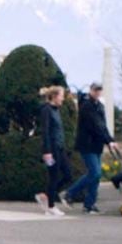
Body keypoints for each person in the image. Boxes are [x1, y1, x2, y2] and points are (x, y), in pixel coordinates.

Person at [64, 82, 118, 214]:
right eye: (96, 90)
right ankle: (69, 193)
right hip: (87, 144)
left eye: (99, 90)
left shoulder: (99, 106)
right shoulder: (87, 105)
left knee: (95, 175)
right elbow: (95, 125)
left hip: (96, 145)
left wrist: (110, 140)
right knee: (95, 173)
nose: (98, 92)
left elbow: (102, 126)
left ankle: (89, 204)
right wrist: (108, 141)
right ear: (91, 90)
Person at [34, 85, 71, 216]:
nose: (63, 99)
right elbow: (46, 132)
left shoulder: (56, 110)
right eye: (61, 96)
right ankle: (51, 206)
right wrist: (47, 151)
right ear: (54, 97)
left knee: (67, 174)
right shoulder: (47, 110)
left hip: (60, 147)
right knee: (54, 176)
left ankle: (46, 195)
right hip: (52, 149)